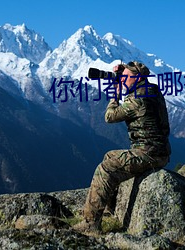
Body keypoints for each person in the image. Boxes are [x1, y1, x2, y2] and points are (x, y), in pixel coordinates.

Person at [73, 61, 171, 233]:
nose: (123, 79)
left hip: (148, 153)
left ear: (137, 78)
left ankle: (90, 224)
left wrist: (115, 95)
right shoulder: (152, 90)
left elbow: (109, 117)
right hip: (158, 151)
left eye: (126, 77)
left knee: (106, 168)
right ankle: (110, 209)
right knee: (110, 155)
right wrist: (123, 71)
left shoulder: (137, 100)